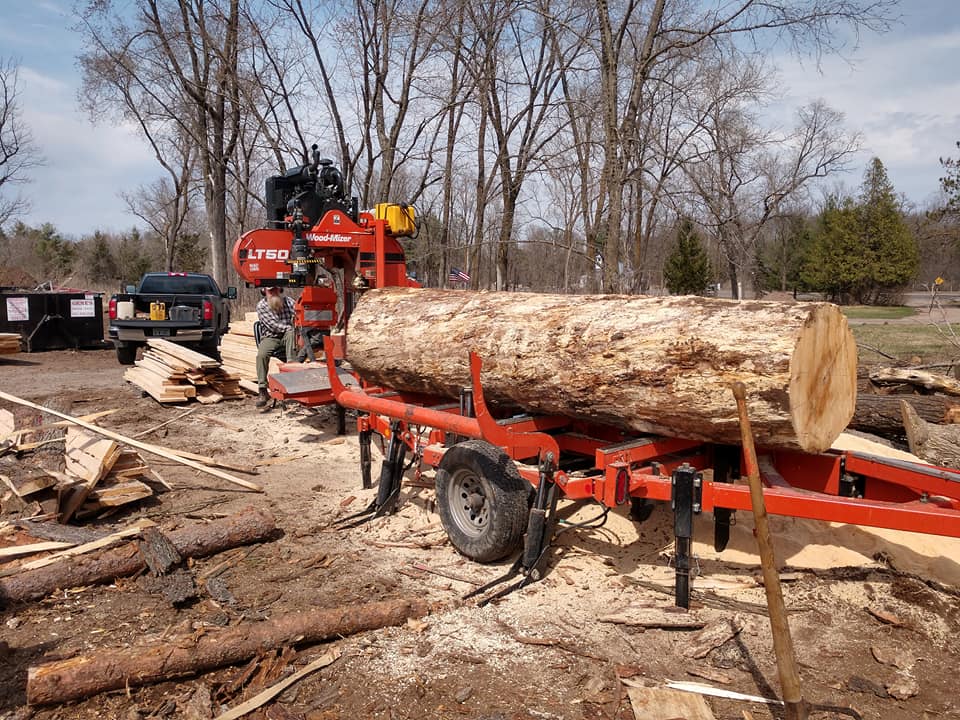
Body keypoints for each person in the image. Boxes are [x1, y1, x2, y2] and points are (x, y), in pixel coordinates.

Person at [255, 286, 297, 407]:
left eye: (275, 290)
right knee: (261, 355)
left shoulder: (289, 302)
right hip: (270, 337)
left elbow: (298, 315)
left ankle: (291, 371)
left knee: (291, 333)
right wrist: (291, 327)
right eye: (270, 291)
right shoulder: (261, 306)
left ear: (280, 290)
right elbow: (273, 326)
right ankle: (262, 389)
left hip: (288, 336)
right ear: (264, 291)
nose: (273, 293)